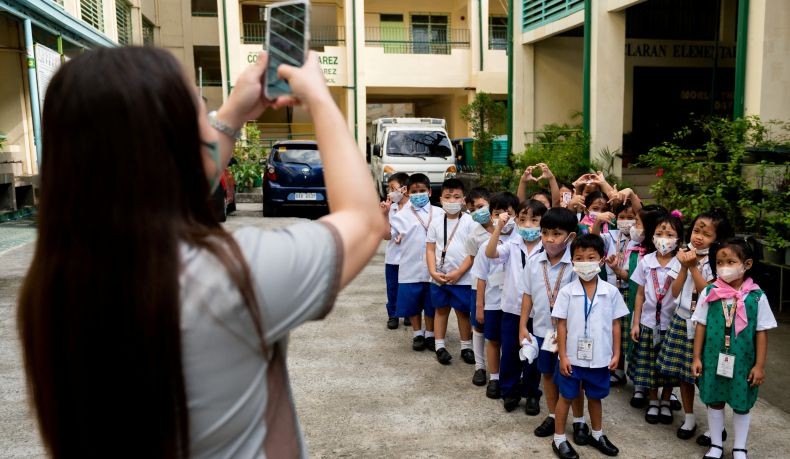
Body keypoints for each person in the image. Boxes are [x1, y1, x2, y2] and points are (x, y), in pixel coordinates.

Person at [17, 47, 385, 457]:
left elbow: (163, 180)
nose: (212, 123)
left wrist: (231, 115)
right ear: (176, 143)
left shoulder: (52, 284)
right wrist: (320, 97)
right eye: (201, 109)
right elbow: (365, 222)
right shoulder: (228, 273)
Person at [692, 238, 777, 459]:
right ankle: (716, 445)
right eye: (720, 262)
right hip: (713, 357)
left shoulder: (757, 296)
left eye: (731, 261)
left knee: (742, 403)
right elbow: (701, 325)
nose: (724, 267)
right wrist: (696, 358)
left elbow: (761, 331)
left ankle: (740, 447)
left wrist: (759, 366)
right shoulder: (710, 292)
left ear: (747, 264)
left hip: (743, 361)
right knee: (715, 399)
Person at [551, 234, 629, 459]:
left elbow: (616, 325)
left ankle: (597, 434)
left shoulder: (610, 292)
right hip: (572, 358)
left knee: (595, 397)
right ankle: (559, 439)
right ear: (572, 262)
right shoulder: (567, 292)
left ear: (602, 260)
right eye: (579, 258)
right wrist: (563, 356)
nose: (585, 262)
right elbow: (562, 326)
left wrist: (616, 353)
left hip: (600, 358)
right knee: (566, 396)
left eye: (591, 257)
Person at [657, 211, 732, 440]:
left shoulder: (716, 262)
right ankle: (689, 418)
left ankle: (715, 426)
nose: (699, 237)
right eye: (696, 231)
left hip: (705, 326)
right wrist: (683, 266)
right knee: (684, 375)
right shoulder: (683, 257)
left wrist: (693, 267)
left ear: (718, 239)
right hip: (682, 320)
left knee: (705, 377)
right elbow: (676, 291)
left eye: (706, 234)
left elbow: (707, 294)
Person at [520, 207, 589, 442]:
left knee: (573, 378)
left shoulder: (576, 265)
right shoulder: (533, 262)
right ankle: (552, 414)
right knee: (547, 375)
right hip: (541, 330)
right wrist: (523, 326)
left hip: (570, 334)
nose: (550, 239)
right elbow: (527, 295)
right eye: (546, 232)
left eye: (557, 234)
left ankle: (579, 421)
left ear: (570, 237)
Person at [486, 200, 546, 413]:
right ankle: (509, 391)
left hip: (537, 312)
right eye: (523, 220)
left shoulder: (547, 247)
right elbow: (490, 253)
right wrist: (498, 229)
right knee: (510, 351)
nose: (528, 225)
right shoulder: (512, 243)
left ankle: (531, 393)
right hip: (511, 309)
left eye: (534, 220)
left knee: (533, 353)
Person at [628, 213, 684, 425]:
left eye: (670, 234)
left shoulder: (681, 264)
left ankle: (665, 400)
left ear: (679, 239)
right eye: (660, 233)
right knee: (650, 364)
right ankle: (653, 400)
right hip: (648, 322)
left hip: (671, 323)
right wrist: (636, 322)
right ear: (652, 236)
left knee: (667, 367)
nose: (664, 238)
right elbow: (640, 294)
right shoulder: (645, 262)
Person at [471, 192, 519, 397]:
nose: (503, 217)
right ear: (491, 216)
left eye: (508, 213)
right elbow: (481, 278)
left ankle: (516, 376)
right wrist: (479, 306)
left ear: (517, 214)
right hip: (492, 302)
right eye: (497, 213)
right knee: (493, 340)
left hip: (515, 303)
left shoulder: (521, 242)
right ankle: (495, 377)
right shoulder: (486, 245)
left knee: (513, 342)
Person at [391, 173, 444, 351]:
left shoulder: (440, 213)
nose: (419, 194)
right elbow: (388, 235)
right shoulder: (401, 214)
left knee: (431, 302)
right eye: (414, 191)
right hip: (410, 265)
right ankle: (417, 333)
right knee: (413, 302)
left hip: (434, 267)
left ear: (429, 191)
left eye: (422, 190)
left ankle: (430, 333)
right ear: (408, 192)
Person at [426, 179, 476, 365]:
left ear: (463, 200)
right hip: (439, 276)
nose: (452, 200)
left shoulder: (470, 222)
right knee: (441, 310)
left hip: (462, 278)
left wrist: (459, 273)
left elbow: (473, 253)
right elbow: (430, 248)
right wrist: (432, 271)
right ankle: (440, 346)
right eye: (448, 197)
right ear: (441, 199)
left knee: (463, 312)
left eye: (456, 197)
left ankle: (466, 347)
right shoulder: (435, 222)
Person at [465, 187, 494, 383]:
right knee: (478, 325)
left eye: (481, 206)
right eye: (473, 209)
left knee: (496, 331)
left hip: (502, 287)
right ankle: (479, 366)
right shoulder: (474, 235)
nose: (478, 211)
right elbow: (471, 259)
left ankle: (498, 371)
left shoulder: (508, 228)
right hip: (479, 286)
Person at [381, 172, 410, 330]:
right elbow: (386, 236)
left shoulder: (414, 208)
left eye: (394, 188)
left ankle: (408, 313)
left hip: (410, 257)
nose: (390, 192)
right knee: (393, 287)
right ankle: (393, 314)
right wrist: (384, 215)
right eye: (389, 188)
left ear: (404, 189)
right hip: (393, 257)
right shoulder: (390, 208)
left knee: (409, 286)